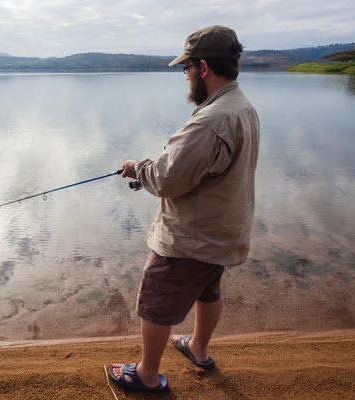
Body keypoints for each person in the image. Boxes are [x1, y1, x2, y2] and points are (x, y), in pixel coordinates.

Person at [109, 25, 260, 392]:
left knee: (157, 300)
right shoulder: (242, 106)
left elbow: (167, 179)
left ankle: (147, 375)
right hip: (222, 231)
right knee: (208, 290)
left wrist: (137, 167)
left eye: (186, 68)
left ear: (203, 67)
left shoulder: (211, 121)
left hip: (191, 237)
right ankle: (198, 348)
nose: (186, 75)